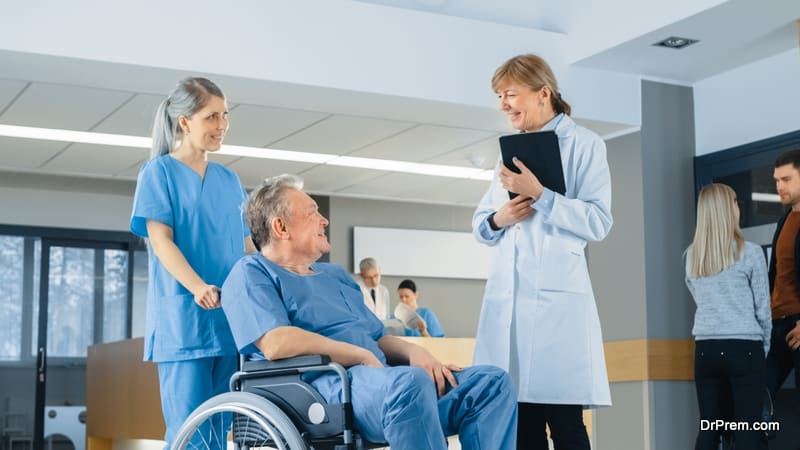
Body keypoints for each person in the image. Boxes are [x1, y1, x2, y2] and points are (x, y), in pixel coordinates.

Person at [221, 174, 517, 450]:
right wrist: (358, 355)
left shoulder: (334, 275)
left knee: (490, 383)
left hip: (381, 381)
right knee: (410, 384)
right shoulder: (251, 272)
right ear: (280, 227)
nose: (323, 220)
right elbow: (276, 342)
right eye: (312, 212)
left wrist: (417, 354)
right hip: (323, 386)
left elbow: (377, 335)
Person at [472, 54, 612, 450]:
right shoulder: (506, 153)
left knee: (566, 425)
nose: (503, 105)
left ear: (543, 93)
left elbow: (599, 221)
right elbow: (481, 225)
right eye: (499, 96)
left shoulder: (585, 145)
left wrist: (542, 195)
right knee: (520, 429)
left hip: (557, 310)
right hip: (509, 309)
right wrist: (499, 219)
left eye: (510, 94)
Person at [129, 77, 257, 448]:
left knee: (220, 433)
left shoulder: (229, 179)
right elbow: (160, 241)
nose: (222, 126)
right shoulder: (159, 173)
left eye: (225, 116)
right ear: (184, 121)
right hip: (184, 322)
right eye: (211, 117)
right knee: (190, 433)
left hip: (230, 322)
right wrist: (197, 286)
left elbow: (246, 245)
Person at [685, 183, 770, 450]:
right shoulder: (751, 253)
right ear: (726, 209)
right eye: (735, 202)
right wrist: (762, 349)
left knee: (709, 429)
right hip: (744, 347)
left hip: (705, 350)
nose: (738, 208)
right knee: (747, 430)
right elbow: (763, 311)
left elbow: (701, 300)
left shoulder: (691, 257)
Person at [766, 149, 800, 420]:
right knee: (756, 401)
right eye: (777, 180)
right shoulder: (784, 220)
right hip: (777, 324)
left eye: (786, 179)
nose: (779, 186)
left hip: (799, 324)